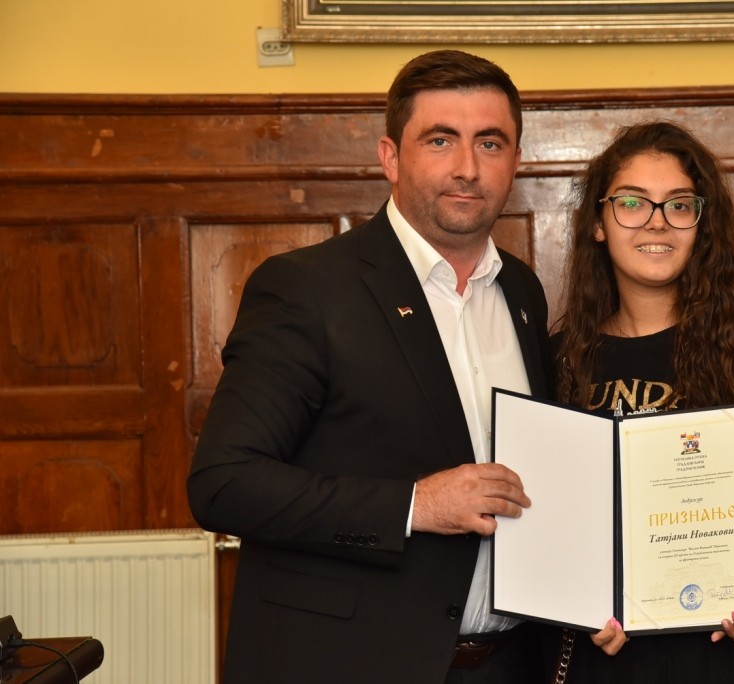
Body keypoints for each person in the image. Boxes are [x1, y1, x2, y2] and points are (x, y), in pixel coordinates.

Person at [187, 49, 552, 684]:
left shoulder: (521, 291)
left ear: (515, 161)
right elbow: (224, 483)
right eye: (440, 140)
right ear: (390, 157)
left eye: (490, 143)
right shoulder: (307, 289)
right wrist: (415, 505)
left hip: (509, 664)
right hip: (351, 663)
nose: (468, 168)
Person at [547, 121, 734, 682]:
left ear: (702, 224)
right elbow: (547, 528)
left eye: (679, 204)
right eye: (632, 202)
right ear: (598, 223)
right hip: (613, 657)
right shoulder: (558, 361)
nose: (657, 221)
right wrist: (580, 597)